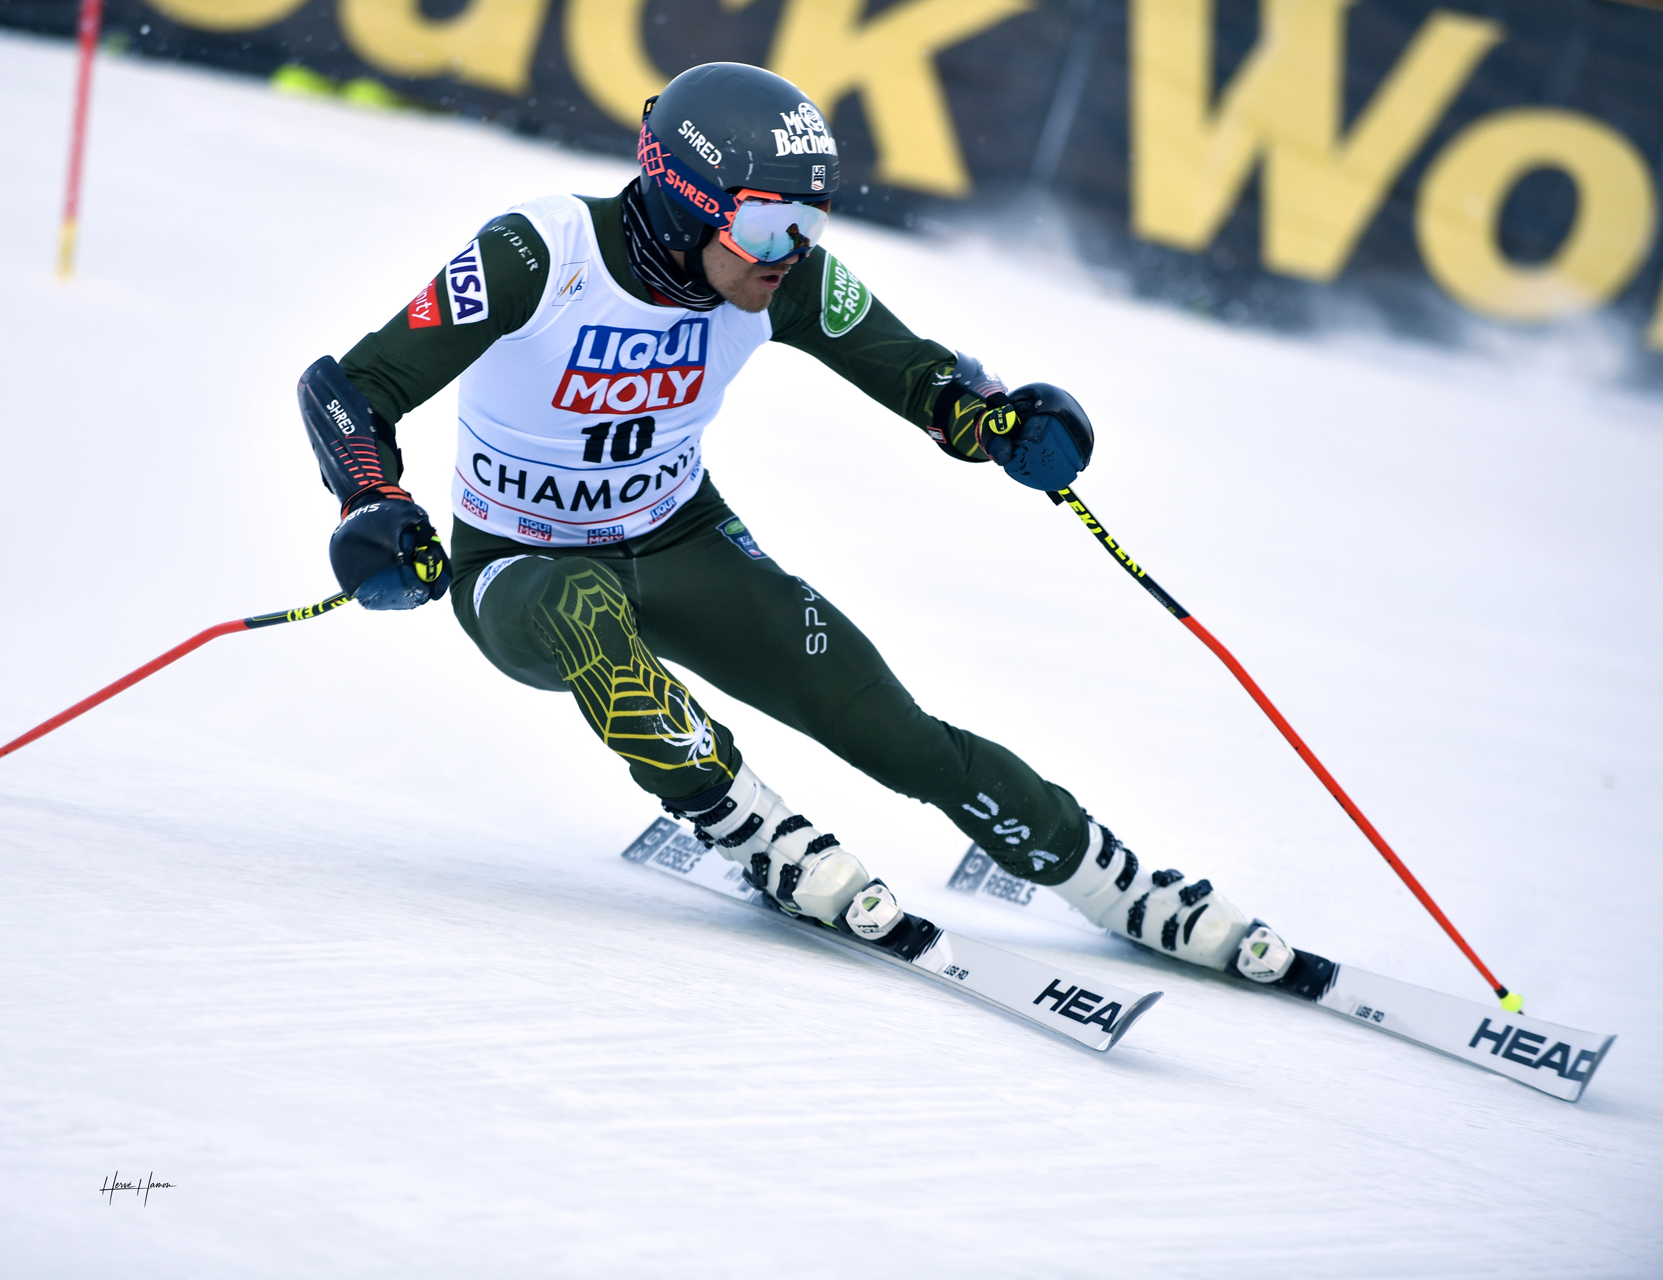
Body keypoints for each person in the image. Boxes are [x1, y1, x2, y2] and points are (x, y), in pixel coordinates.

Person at [296, 61, 1297, 980]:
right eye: (772, 225)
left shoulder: (785, 280)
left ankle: (1115, 882)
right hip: (516, 562)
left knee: (902, 740)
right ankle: (750, 825)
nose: (794, 252)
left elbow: (918, 370)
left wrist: (993, 420)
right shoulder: (538, 252)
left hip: (681, 541)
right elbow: (349, 386)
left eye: (811, 224)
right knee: (581, 608)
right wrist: (373, 497)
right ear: (689, 202)